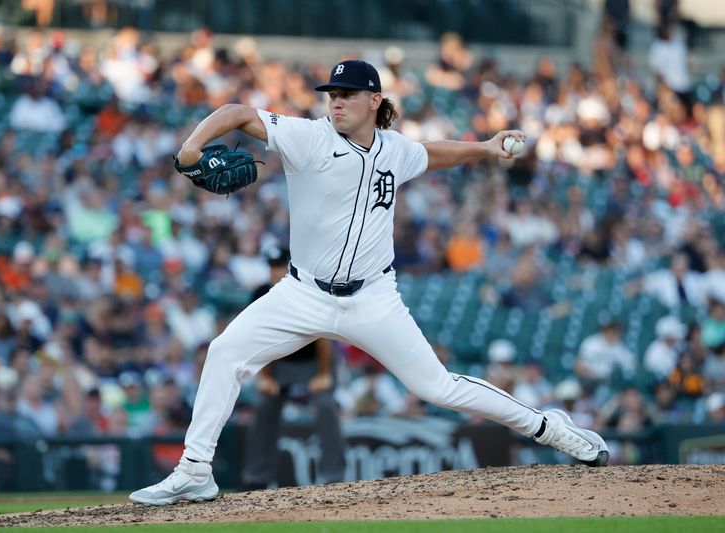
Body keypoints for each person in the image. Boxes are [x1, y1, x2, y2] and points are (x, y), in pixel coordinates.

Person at [129, 60, 609, 506]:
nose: (335, 102)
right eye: (331, 94)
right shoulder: (308, 138)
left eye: (347, 94)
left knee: (438, 386)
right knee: (225, 352)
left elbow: (430, 154)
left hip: (373, 298)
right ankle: (195, 468)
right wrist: (191, 148)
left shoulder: (395, 148)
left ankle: (549, 428)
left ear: (374, 100)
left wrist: (483, 148)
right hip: (303, 293)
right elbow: (236, 112)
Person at [241, 247, 345, 489]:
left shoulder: (306, 288)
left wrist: (323, 374)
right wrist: (264, 377)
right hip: (279, 359)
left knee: (325, 405)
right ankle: (255, 479)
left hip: (314, 359)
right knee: (265, 405)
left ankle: (334, 478)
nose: (274, 272)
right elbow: (258, 336)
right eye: (271, 266)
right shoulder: (260, 293)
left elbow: (322, 335)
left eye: (279, 265)